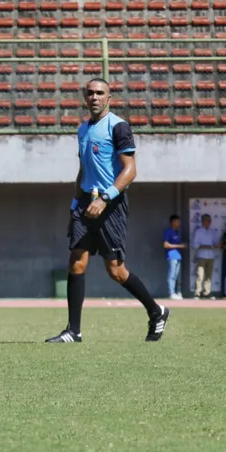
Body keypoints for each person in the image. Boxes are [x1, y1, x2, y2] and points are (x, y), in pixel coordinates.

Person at [46, 78, 170, 343]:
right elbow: (83, 172)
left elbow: (130, 170)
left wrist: (105, 198)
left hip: (110, 205)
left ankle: (156, 311)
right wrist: (73, 207)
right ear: (84, 97)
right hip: (84, 204)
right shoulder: (82, 130)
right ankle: (74, 331)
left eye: (99, 93)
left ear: (109, 97)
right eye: (89, 93)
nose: (94, 97)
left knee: (116, 271)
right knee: (76, 261)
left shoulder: (118, 126)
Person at [192, 214, 220, 299]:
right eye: (207, 220)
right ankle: (197, 293)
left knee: (209, 276)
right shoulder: (198, 231)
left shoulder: (212, 232)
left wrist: (218, 245)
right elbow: (195, 245)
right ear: (203, 221)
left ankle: (207, 293)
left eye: (210, 221)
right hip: (202, 256)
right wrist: (207, 246)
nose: (209, 222)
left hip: (211, 256)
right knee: (200, 275)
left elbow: (215, 243)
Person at [162, 215, 186, 299]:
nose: (179, 223)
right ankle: (171, 293)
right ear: (173, 222)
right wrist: (180, 246)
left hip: (178, 257)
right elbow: (165, 244)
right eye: (178, 221)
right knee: (171, 275)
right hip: (172, 256)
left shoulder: (176, 232)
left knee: (176, 275)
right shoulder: (168, 232)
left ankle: (175, 292)